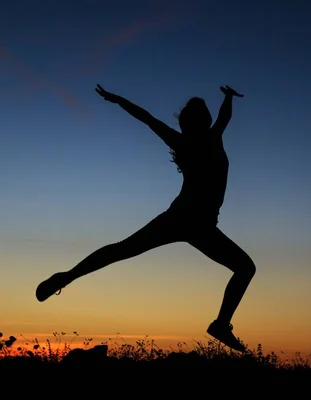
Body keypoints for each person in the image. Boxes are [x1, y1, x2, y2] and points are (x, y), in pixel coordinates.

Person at [35, 84, 255, 352]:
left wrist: (118, 100)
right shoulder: (212, 137)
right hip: (195, 223)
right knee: (245, 268)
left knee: (122, 249)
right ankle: (221, 324)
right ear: (202, 120)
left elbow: (149, 118)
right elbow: (156, 117)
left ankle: (66, 277)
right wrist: (228, 97)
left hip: (188, 221)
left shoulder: (187, 139)